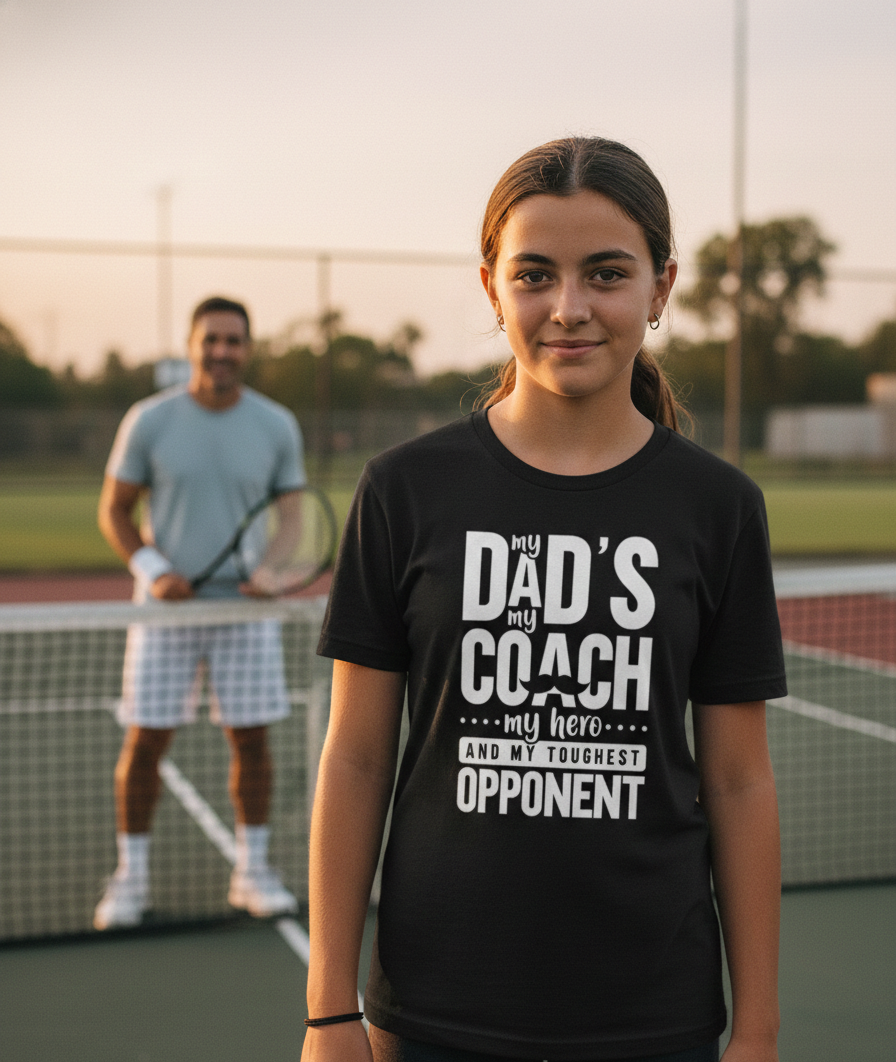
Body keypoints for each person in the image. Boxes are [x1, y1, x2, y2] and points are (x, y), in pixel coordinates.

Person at [303, 138, 786, 1062]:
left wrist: (756, 1028)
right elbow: (358, 759)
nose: (570, 308)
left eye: (607, 273)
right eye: (535, 275)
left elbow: (737, 779)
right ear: (492, 288)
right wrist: (329, 1010)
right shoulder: (404, 490)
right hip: (435, 1013)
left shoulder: (719, 508)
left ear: (661, 287)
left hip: (655, 1017)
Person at [94, 295, 304, 930]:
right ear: (191, 345)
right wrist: (154, 572)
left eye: (233, 341)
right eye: (210, 339)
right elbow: (115, 510)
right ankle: (130, 879)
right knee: (147, 739)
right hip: (165, 615)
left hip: (243, 613)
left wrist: (271, 570)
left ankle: (253, 872)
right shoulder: (149, 420)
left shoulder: (275, 424)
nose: (221, 351)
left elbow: (293, 513)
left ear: (248, 348)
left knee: (252, 740)